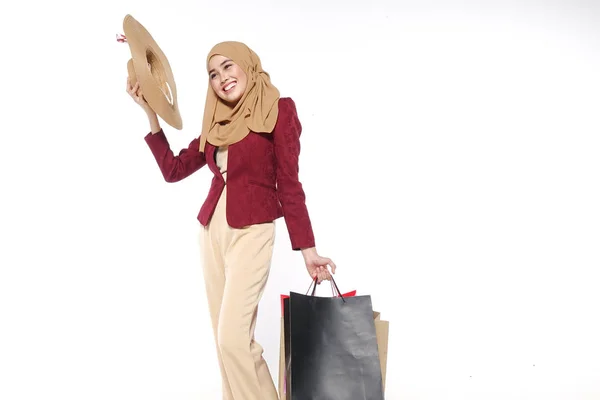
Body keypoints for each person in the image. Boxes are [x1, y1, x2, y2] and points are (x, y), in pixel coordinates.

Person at [126, 41, 337, 400]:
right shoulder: (217, 122)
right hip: (212, 232)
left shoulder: (279, 110)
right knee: (226, 344)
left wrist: (308, 250)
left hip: (252, 231)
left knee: (232, 339)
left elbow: (289, 182)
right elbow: (173, 169)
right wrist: (151, 114)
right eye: (213, 73)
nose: (222, 78)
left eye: (228, 66)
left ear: (247, 65)